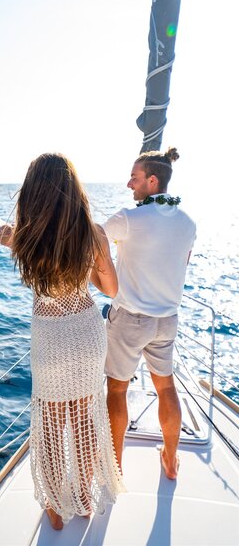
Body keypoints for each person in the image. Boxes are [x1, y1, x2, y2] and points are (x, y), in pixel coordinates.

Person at [0, 153, 125, 530]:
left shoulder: (24, 238)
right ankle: (82, 500)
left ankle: (52, 506)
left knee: (50, 422)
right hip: (84, 332)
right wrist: (88, 273)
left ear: (31, 194)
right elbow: (111, 288)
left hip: (49, 339)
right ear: (74, 190)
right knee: (83, 420)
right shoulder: (92, 234)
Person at [103, 147, 196, 480]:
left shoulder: (129, 218)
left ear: (152, 180)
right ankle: (171, 461)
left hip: (130, 319)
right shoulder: (187, 223)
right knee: (166, 388)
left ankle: (115, 469)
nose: (129, 184)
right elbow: (181, 263)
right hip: (167, 320)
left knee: (116, 390)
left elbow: (93, 243)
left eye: (135, 177)